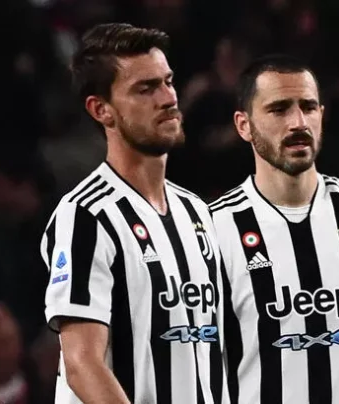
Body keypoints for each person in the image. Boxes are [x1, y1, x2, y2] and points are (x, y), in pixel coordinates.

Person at [40, 23, 227, 404]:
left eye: (168, 82)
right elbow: (82, 363)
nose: (168, 98)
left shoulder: (196, 213)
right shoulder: (86, 215)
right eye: (146, 88)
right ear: (101, 110)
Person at [209, 54, 339, 404]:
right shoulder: (212, 230)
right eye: (279, 109)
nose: (299, 122)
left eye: (308, 107)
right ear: (244, 125)